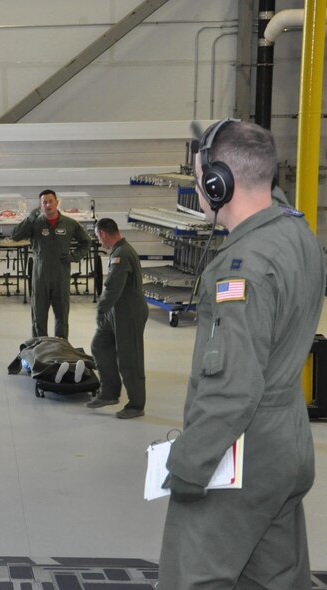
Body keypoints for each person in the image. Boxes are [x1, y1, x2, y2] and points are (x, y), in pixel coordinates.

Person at [158, 120, 324, 588]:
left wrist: (191, 462)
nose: (198, 187)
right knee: (276, 580)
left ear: (219, 184)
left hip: (243, 452)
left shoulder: (243, 268)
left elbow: (232, 386)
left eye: (200, 178)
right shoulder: (297, 233)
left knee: (190, 576)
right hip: (288, 442)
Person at [85, 218, 148, 419]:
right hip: (115, 311)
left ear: (103, 234)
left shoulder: (122, 254)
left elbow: (113, 287)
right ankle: (109, 393)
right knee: (99, 345)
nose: (99, 241)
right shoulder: (118, 251)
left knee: (130, 359)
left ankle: (136, 405)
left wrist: (101, 309)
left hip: (129, 313)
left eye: (98, 236)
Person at [10, 189, 91, 339]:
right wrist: (30, 218)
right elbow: (15, 236)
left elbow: (86, 242)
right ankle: (40, 347)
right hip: (40, 276)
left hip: (61, 276)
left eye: (50, 201)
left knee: (62, 316)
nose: (48, 205)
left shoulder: (70, 224)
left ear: (57, 202)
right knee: (38, 317)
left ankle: (61, 347)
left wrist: (74, 257)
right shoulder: (35, 224)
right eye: (44, 202)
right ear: (40, 205)